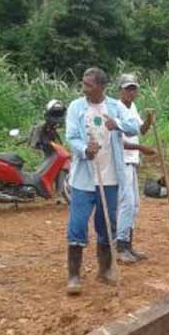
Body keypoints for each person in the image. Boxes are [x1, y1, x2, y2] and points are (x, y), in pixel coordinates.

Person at [64, 67, 141, 295]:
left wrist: (116, 124)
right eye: (84, 84)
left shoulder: (116, 107)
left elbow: (134, 126)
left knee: (107, 225)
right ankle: (74, 276)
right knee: (77, 225)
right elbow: (71, 137)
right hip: (84, 178)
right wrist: (85, 150)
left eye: (88, 85)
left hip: (110, 178)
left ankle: (105, 270)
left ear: (101, 86)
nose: (84, 88)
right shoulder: (76, 107)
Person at [115, 73, 156, 263]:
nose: (131, 92)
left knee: (135, 205)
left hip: (131, 161)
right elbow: (117, 142)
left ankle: (128, 245)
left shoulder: (133, 108)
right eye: (127, 88)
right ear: (120, 90)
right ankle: (121, 246)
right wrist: (141, 148)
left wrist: (149, 119)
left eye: (133, 88)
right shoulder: (115, 109)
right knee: (127, 203)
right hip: (121, 160)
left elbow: (142, 130)